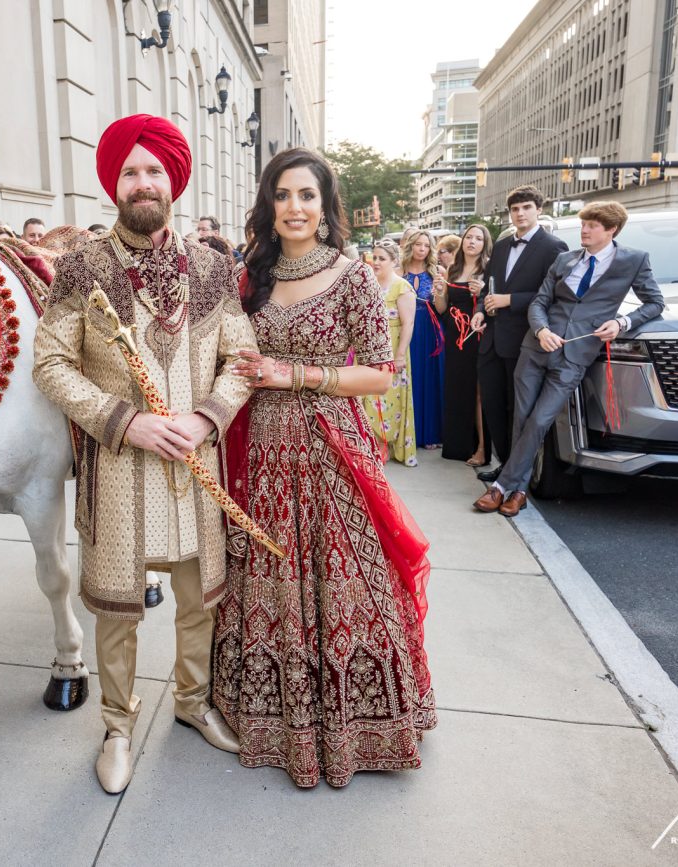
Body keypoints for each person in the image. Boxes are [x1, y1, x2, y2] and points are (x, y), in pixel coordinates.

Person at [32, 113, 258, 794]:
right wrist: (122, 421)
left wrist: (207, 417)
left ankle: (191, 703)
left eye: (154, 170)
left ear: (172, 180)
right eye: (130, 170)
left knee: (199, 601)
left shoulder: (216, 268)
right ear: (114, 184)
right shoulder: (80, 268)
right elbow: (49, 363)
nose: (143, 181)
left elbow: (242, 360)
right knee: (118, 611)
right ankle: (117, 725)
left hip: (195, 465)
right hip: (121, 466)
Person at [214, 147, 436, 789]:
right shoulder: (249, 275)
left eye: (306, 196)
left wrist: (298, 375)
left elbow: (381, 370)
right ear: (268, 204)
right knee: (267, 577)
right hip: (258, 452)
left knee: (345, 579)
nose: (294, 208)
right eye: (282, 195)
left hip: (329, 447)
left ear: (324, 205)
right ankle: (267, 719)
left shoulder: (351, 275)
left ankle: (358, 723)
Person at [473, 201, 664, 516]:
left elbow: (655, 303)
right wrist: (541, 330)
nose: (584, 231)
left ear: (611, 230)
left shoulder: (633, 261)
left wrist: (621, 323)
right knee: (521, 417)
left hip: (575, 355)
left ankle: (502, 487)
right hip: (535, 349)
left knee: (540, 420)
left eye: (591, 226)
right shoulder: (565, 259)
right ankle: (517, 491)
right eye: (584, 224)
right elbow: (539, 302)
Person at [470, 185, 568, 483]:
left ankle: (516, 473)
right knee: (493, 403)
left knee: (518, 409)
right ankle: (504, 464)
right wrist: (479, 309)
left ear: (539, 209)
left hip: (524, 341)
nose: (520, 213)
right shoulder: (500, 246)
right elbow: (489, 286)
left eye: (526, 207)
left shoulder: (554, 247)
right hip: (492, 340)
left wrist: (509, 301)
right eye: (515, 209)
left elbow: (551, 295)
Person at [433, 224, 493, 465]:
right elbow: (442, 309)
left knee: (478, 393)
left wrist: (484, 290)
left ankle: (481, 449)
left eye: (478, 238)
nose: (472, 242)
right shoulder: (453, 269)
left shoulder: (488, 269)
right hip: (455, 338)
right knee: (456, 389)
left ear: (484, 244)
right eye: (469, 237)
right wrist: (439, 291)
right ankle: (456, 445)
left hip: (478, 337)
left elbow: (492, 307)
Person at [363, 240, 418, 467]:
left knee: (390, 399)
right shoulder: (367, 284)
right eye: (374, 258)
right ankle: (370, 443)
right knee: (366, 397)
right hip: (368, 349)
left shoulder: (402, 287)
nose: (376, 262)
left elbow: (408, 323)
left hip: (392, 346)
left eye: (382, 258)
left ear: (394, 261)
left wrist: (400, 355)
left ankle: (386, 444)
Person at [402, 230, 444, 449]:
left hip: (429, 329)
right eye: (418, 244)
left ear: (430, 249)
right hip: (404, 328)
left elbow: (441, 309)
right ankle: (406, 433)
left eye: (426, 245)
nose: (421, 249)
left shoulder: (436, 272)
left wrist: (439, 291)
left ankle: (429, 434)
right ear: (411, 245)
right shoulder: (398, 270)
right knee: (409, 378)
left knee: (428, 379)